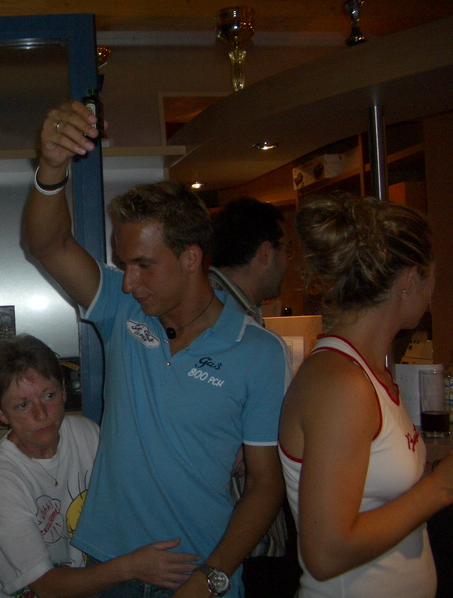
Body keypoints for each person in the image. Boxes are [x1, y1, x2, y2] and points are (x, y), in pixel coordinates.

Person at [23, 101, 291, 598]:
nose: (128, 282)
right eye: (124, 264)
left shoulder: (259, 351)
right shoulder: (123, 310)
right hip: (113, 567)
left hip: (198, 573)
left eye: (144, 265)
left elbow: (265, 485)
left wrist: (211, 578)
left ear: (191, 258)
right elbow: (48, 244)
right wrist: (52, 168)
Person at [278, 193, 453, 597]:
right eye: (430, 277)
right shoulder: (342, 385)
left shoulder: (365, 372)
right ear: (410, 278)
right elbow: (326, 553)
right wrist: (440, 488)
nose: (432, 290)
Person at [0, 334, 193, 598]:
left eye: (49, 395)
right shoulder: (0, 477)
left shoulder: (87, 433)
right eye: (22, 405)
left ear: (64, 391)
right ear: (0, 412)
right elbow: (46, 587)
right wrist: (131, 567)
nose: (41, 414)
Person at [209, 197, 298, 598]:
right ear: (266, 252)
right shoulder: (217, 315)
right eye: (286, 250)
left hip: (237, 535)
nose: (288, 262)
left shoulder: (238, 312)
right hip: (233, 540)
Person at [209, 196, 289, 325]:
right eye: (287, 251)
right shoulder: (222, 316)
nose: (286, 264)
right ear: (266, 252)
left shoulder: (209, 300)